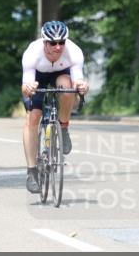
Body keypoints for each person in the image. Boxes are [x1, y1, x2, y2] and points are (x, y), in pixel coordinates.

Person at [20, 20, 89, 194]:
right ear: (44, 42)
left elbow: (78, 81)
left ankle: (63, 127)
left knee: (67, 90)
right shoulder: (32, 53)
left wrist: (82, 87)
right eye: (53, 43)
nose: (58, 47)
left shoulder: (74, 52)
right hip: (37, 77)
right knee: (33, 118)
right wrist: (29, 88)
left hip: (61, 73)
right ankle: (32, 172)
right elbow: (25, 87)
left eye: (61, 42)